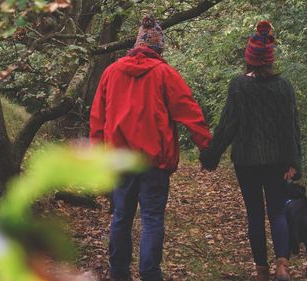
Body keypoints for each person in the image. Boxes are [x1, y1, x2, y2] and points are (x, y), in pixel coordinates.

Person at [90, 16, 212, 281]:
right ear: (158, 48)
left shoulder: (111, 72)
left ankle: (119, 272)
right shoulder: (165, 73)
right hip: (154, 161)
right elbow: (189, 111)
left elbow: (97, 119)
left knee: (121, 215)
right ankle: (149, 274)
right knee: (152, 218)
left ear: (136, 44)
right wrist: (207, 146)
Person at [199, 21, 302, 281]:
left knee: (254, 214)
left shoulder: (239, 86)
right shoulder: (284, 87)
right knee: (277, 211)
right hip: (278, 159)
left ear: (249, 59)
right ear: (270, 59)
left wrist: (211, 155)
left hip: (247, 161)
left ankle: (261, 272)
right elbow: (291, 127)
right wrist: (294, 161)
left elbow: (228, 125)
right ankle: (282, 265)